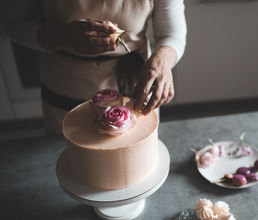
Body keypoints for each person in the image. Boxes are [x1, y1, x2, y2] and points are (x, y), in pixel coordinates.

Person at [1, 0, 187, 135]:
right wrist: (59, 36)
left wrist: (162, 59)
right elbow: (11, 23)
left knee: (136, 161)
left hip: (135, 81)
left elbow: (172, 33)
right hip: (66, 83)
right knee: (74, 162)